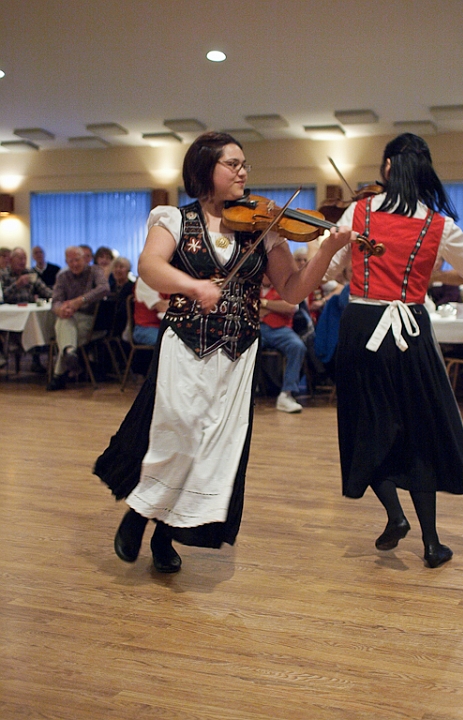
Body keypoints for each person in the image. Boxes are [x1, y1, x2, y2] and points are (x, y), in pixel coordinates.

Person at [94, 131, 355, 574]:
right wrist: (194, 285)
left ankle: (164, 535)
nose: (242, 171)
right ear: (204, 170)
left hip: (237, 353)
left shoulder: (265, 226)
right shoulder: (173, 218)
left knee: (212, 447)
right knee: (175, 431)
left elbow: (292, 291)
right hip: (184, 343)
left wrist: (328, 249)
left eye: (244, 164)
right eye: (232, 164)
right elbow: (150, 267)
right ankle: (139, 511)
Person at [326, 133, 463, 569]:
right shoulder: (439, 226)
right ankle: (432, 544)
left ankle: (395, 516)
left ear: (388, 168)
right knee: (418, 428)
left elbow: (334, 270)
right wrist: (429, 264)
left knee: (366, 424)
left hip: (361, 326)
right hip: (411, 327)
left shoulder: (357, 212)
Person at [47, 245, 109, 391]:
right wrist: (60, 310)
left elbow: (104, 288)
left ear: (85, 259)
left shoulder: (95, 271)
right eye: (70, 261)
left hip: (90, 320)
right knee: (63, 322)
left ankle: (59, 374)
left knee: (63, 332)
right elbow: (55, 300)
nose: (74, 264)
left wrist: (80, 300)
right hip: (70, 317)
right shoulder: (63, 277)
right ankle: (69, 353)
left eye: (77, 260)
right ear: (66, 262)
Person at [260, 274, 306, 413]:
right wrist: (276, 307)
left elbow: (291, 306)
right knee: (245, 345)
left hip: (280, 329)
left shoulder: (284, 286)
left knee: (297, 346)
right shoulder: (251, 284)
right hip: (257, 328)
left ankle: (287, 393)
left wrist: (264, 303)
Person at [132, 277, 169, 345]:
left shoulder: (169, 281)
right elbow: (162, 307)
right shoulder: (145, 280)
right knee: (169, 343)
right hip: (145, 328)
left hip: (165, 327)